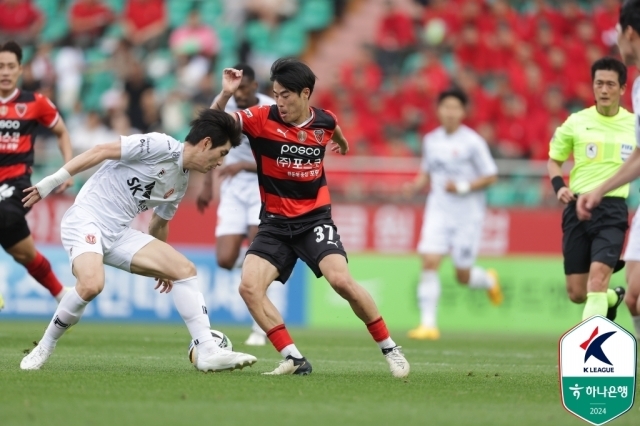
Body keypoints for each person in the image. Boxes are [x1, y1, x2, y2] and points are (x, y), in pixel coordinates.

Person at [210, 59, 410, 377]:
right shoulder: (261, 119)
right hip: (275, 224)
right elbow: (215, 123)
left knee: (341, 281)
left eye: (286, 95)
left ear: (305, 94)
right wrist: (224, 94)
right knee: (249, 287)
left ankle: (390, 348)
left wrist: (341, 143)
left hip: (314, 220)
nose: (280, 102)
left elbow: (334, 129)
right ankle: (294, 358)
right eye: (275, 94)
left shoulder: (324, 122)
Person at [19, 109, 258, 372]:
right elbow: (100, 151)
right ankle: (45, 346)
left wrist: (162, 265)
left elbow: (159, 223)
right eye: (222, 153)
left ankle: (208, 351)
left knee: (184, 270)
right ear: (206, 143)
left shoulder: (180, 182)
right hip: (86, 219)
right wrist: (51, 182)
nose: (220, 163)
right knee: (91, 285)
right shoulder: (161, 145)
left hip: (119, 233)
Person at [403, 88, 503, 341]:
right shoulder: (431, 140)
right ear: (438, 110)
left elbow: (491, 175)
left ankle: (488, 280)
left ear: (463, 112)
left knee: (463, 276)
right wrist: (414, 186)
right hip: (437, 211)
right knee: (429, 261)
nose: (449, 112)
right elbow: (427, 172)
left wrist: (462, 187)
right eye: (445, 107)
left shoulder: (472, 142)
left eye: (455, 108)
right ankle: (428, 325)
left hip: (467, 216)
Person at [197, 64, 284, 346]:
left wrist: (245, 165)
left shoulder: (272, 109)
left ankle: (261, 326)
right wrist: (208, 185)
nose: (241, 93)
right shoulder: (231, 107)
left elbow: (282, 154)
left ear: (255, 87)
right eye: (238, 88)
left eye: (246, 88)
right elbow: (209, 131)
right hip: (233, 190)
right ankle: (265, 275)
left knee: (255, 251)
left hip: (262, 188)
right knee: (224, 259)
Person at [550, 57, 633, 323]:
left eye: (611, 84)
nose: (604, 90)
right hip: (576, 208)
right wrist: (559, 186)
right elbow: (554, 160)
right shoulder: (576, 122)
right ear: (593, 86)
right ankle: (611, 297)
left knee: (596, 279)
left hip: (612, 209)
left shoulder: (635, 124)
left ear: (622, 88)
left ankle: (588, 352)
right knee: (577, 292)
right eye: (599, 83)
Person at [578, 0, 640, 340]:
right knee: (634, 297)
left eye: (617, 32)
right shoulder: (639, 89)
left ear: (629, 33)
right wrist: (600, 190)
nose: (615, 39)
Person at [0, 41, 74, 304]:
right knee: (24, 253)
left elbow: (62, 132)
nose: (5, 72)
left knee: (5, 212)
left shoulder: (35, 103)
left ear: (20, 69)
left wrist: (67, 169)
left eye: (10, 66)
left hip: (17, 183)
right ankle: (61, 294)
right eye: (0, 67)